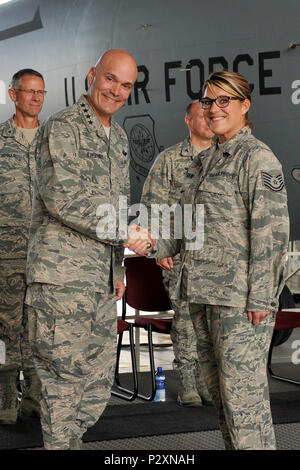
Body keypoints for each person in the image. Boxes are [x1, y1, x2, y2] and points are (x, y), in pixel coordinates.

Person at [126, 71, 290, 450]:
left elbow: (271, 234)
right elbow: (186, 231)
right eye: (207, 101)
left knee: (244, 403)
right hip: (200, 295)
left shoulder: (257, 158)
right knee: (224, 402)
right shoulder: (205, 161)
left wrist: (262, 298)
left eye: (223, 101)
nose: (213, 109)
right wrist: (150, 244)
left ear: (244, 106)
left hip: (238, 302)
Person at [24, 49, 138, 450]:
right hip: (61, 282)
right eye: (111, 79)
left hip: (101, 285)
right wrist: (128, 232)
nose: (116, 91)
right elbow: (64, 198)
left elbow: (117, 205)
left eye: (126, 85)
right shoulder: (63, 127)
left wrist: (118, 271)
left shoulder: (119, 138)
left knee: (95, 387)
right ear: (92, 75)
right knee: (62, 386)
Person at [141, 102, 213, 406]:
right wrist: (159, 248)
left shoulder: (227, 157)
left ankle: (207, 379)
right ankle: (187, 380)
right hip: (181, 255)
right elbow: (152, 206)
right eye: (201, 115)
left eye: (212, 114)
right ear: (188, 121)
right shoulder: (170, 159)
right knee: (185, 319)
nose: (208, 120)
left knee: (211, 322)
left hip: (217, 257)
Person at [0, 69, 46, 424]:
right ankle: (5, 400)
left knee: (40, 328)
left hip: (46, 254)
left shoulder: (55, 140)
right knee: (6, 329)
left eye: (40, 92)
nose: (35, 98)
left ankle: (33, 396)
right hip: (6, 254)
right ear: (13, 95)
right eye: (28, 92)